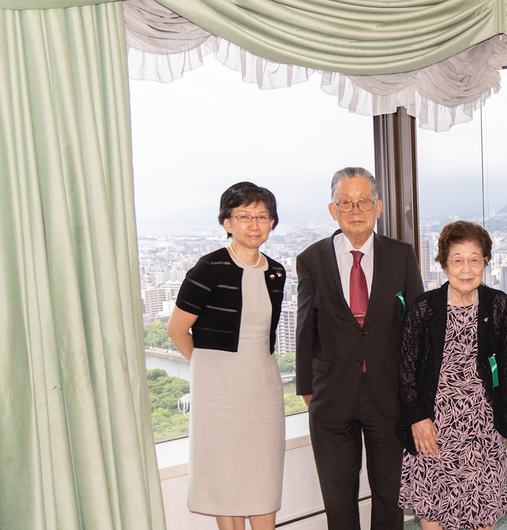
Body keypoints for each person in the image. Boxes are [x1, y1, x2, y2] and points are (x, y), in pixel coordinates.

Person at [295, 167, 424, 530]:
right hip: (331, 393)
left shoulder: (401, 254)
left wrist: (413, 389)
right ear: (332, 210)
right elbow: (305, 327)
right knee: (338, 495)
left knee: (389, 494)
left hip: (388, 392)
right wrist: (307, 386)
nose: (355, 210)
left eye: (363, 201)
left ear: (378, 207)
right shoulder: (312, 259)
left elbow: (415, 325)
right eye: (346, 202)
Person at [167, 182, 286, 530]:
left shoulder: (276, 271)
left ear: (272, 223)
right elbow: (177, 329)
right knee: (225, 476)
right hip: (217, 392)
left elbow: (264, 335)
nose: (254, 224)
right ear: (227, 222)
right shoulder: (208, 268)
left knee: (263, 473)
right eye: (244, 216)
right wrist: (208, 369)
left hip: (262, 385)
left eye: (262, 216)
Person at [398, 221, 507, 530]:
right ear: (444, 264)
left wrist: (504, 409)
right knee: (435, 510)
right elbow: (406, 369)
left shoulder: (498, 304)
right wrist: (417, 419)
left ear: (486, 261)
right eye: (458, 260)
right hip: (434, 426)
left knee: (481, 510)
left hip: (481, 427)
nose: (466, 269)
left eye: (474, 259)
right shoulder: (424, 308)